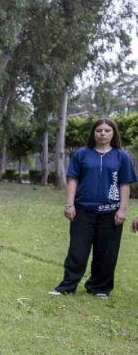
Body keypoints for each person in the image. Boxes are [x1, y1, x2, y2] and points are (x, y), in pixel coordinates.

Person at [49, 118, 135, 297]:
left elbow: (124, 185)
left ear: (113, 134)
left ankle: (100, 288)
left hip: (111, 213)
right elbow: (73, 179)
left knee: (106, 253)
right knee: (77, 251)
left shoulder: (122, 156)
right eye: (99, 130)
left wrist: (122, 210)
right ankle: (67, 286)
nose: (103, 133)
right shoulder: (82, 154)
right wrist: (70, 204)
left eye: (107, 130)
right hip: (83, 211)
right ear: (93, 133)